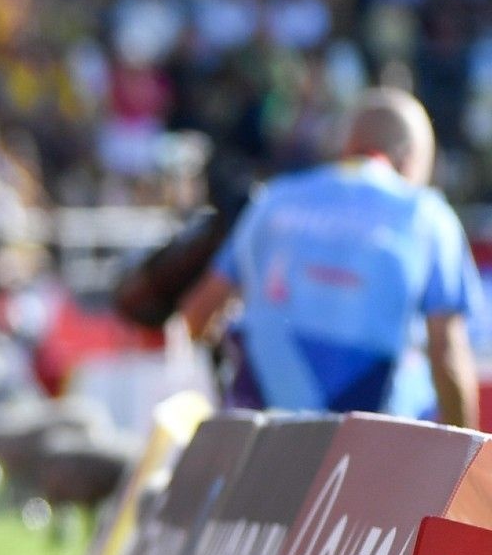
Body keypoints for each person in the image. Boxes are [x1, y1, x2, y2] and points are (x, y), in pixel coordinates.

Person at [179, 89, 484, 427]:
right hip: (362, 446)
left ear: (345, 146)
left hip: (265, 439)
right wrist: (471, 469)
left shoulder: (274, 199)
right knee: (417, 378)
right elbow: (448, 355)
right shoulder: (425, 214)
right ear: (410, 160)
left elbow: (196, 316)